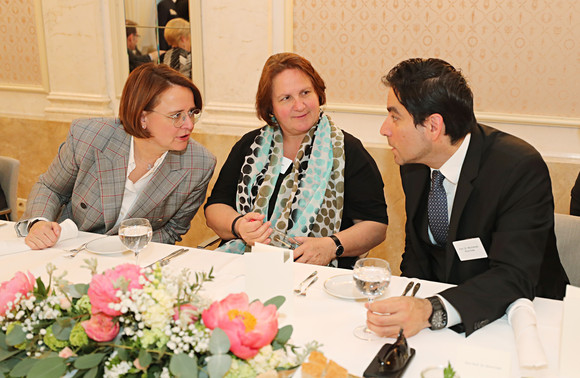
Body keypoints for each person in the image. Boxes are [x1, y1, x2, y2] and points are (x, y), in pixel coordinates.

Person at [366, 58, 568, 337]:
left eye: (395, 116)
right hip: (443, 313)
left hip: (520, 318)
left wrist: (432, 310)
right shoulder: (414, 162)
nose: (384, 129)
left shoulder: (518, 168)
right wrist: (412, 300)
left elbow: (514, 275)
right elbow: (418, 248)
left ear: (433, 126)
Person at [204, 53, 388, 269]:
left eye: (305, 93)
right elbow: (215, 207)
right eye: (286, 98)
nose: (299, 105)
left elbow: (376, 226)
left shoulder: (348, 151)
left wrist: (332, 245)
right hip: (247, 267)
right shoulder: (249, 146)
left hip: (318, 276)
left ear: (318, 94)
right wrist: (238, 226)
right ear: (270, 107)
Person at [17, 63, 216, 250]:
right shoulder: (90, 136)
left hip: (136, 258)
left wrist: (122, 251)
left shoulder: (199, 164)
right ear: (142, 117)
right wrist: (39, 222)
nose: (189, 124)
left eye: (192, 112)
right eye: (176, 115)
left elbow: (172, 230)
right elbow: (51, 188)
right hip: (69, 248)